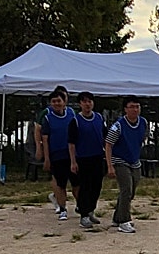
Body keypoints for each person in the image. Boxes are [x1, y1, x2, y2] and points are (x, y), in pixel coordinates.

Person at [104, 96, 148, 234]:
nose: (135, 110)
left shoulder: (143, 123)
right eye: (132, 107)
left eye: (137, 107)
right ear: (125, 109)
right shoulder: (118, 126)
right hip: (119, 160)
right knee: (126, 189)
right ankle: (124, 221)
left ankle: (118, 216)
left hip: (134, 161)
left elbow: (142, 138)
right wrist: (110, 165)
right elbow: (108, 145)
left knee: (131, 190)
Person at [69, 91, 109, 230]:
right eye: (85, 101)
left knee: (96, 187)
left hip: (98, 157)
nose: (88, 104)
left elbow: (106, 138)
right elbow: (71, 143)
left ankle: (91, 210)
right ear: (80, 104)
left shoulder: (99, 118)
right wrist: (73, 162)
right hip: (83, 159)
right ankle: (83, 214)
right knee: (85, 187)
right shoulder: (75, 121)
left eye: (90, 101)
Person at [38, 88, 75, 221]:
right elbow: (45, 139)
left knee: (77, 184)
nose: (56, 103)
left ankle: (82, 206)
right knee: (60, 184)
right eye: (53, 101)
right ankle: (63, 208)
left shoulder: (71, 113)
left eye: (59, 101)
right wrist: (46, 157)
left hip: (72, 155)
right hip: (57, 155)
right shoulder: (47, 118)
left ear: (64, 102)